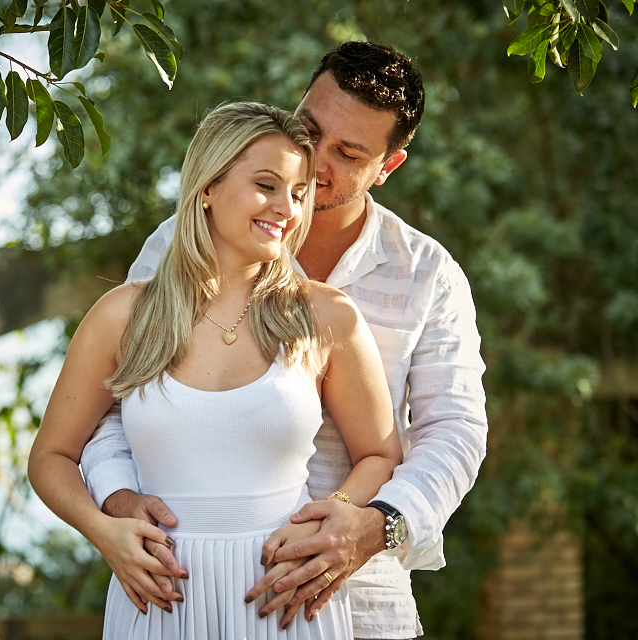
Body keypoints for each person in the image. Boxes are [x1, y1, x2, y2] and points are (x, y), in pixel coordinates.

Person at [80, 42, 488, 639]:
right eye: (311, 129)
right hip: (184, 589)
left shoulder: (428, 273)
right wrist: (115, 496)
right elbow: (108, 400)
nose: (316, 159)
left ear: (387, 167)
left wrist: (374, 526)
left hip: (363, 598)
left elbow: (454, 432)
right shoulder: (182, 243)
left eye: (348, 153)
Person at [28, 101, 404, 638]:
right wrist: (102, 530)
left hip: (285, 601)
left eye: (298, 194)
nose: (286, 208)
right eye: (266, 185)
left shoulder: (328, 316)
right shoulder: (123, 315)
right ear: (208, 187)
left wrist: (336, 516)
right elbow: (51, 456)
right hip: (158, 599)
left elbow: (380, 452)